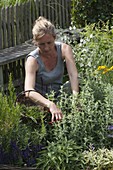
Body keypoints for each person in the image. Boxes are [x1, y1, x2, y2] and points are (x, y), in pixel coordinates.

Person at [24, 16, 79, 123]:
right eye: (41, 44)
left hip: (59, 95)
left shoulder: (64, 49)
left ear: (54, 37)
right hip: (41, 101)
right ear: (35, 42)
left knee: (80, 83)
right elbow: (28, 91)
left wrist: (75, 98)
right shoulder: (32, 60)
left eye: (49, 43)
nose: (46, 48)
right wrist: (50, 104)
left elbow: (73, 75)